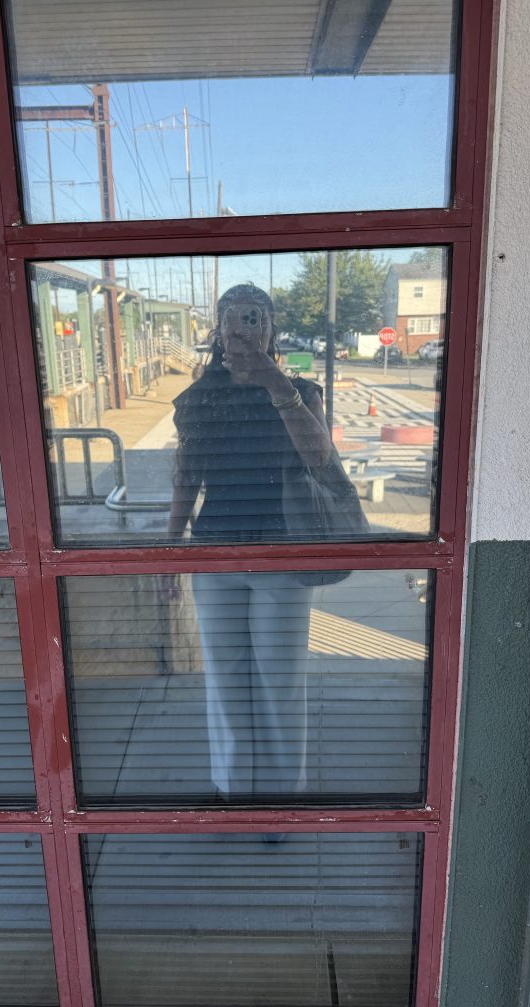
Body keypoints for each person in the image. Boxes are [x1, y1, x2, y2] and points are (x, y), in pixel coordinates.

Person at [169, 284, 333, 804]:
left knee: (280, 682)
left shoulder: (301, 392)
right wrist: (167, 552)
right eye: (232, 320)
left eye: (253, 318)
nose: (242, 330)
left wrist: (272, 381)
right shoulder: (198, 398)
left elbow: (320, 460)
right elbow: (186, 476)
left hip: (284, 555)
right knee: (226, 681)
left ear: (271, 328)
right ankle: (233, 789)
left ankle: (283, 795)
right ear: (217, 331)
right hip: (216, 553)